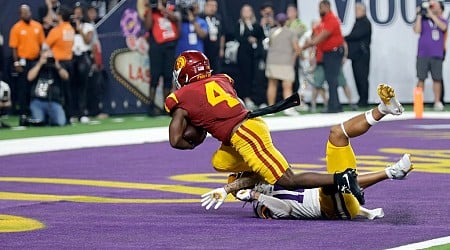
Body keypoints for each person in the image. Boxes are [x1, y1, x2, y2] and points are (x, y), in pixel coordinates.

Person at [165, 50, 370, 211]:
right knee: (220, 162)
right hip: (243, 130)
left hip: (245, 134)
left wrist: (195, 138)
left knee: (288, 180)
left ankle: (342, 178)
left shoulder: (182, 96)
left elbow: (175, 140)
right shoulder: (222, 79)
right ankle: (263, 169)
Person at [234, 84, 409, 220]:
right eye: (246, 176)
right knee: (335, 181)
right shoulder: (259, 205)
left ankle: (382, 110)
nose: (253, 173)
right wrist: (256, 196)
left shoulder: (273, 178)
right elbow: (284, 210)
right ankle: (391, 172)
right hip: (330, 208)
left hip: (336, 200)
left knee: (337, 134)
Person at [302, 0, 345, 113]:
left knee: (332, 80)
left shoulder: (331, 20)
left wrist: (304, 47)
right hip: (328, 53)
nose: (319, 10)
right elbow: (315, 35)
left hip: (333, 52)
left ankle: (334, 107)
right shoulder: (323, 21)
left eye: (321, 7)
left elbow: (320, 37)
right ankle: (335, 105)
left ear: (327, 7)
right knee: (331, 80)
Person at [9, 4, 45, 123]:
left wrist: (42, 58)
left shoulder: (37, 26)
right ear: (20, 14)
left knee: (35, 88)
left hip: (35, 61)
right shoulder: (16, 28)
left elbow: (42, 44)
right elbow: (14, 47)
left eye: (28, 12)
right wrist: (16, 62)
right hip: (23, 61)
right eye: (24, 13)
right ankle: (23, 112)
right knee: (23, 88)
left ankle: (34, 111)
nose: (27, 14)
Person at [144, 0, 180, 116]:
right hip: (156, 46)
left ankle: (167, 106)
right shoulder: (152, 11)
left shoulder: (172, 9)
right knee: (155, 75)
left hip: (170, 46)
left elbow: (176, 19)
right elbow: (148, 26)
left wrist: (162, 9)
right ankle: (151, 106)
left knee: (168, 76)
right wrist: (150, 8)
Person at [413, 0, 447, 111]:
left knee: (437, 78)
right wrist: (418, 15)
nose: (431, 7)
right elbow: (417, 30)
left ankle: (437, 101)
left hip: (436, 53)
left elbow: (443, 27)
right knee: (421, 78)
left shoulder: (442, 19)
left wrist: (431, 14)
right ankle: (419, 102)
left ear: (440, 8)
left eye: (434, 5)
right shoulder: (423, 20)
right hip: (422, 53)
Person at [265, 13, 301, 116]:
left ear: (276, 21)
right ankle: (288, 109)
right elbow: (296, 48)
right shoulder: (291, 32)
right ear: (287, 21)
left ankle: (270, 109)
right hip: (286, 62)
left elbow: (269, 45)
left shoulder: (272, 31)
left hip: (272, 61)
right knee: (287, 86)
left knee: (272, 84)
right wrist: (293, 59)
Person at [26, 49, 69, 126]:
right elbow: (29, 77)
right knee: (39, 123)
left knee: (60, 122)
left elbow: (66, 77)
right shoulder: (35, 65)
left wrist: (56, 65)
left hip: (54, 101)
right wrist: (40, 64)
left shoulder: (57, 67)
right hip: (38, 101)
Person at [234, 4, 265, 110]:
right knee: (245, 76)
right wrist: (248, 39)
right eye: (244, 11)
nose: (247, 13)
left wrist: (254, 37)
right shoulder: (239, 24)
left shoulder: (256, 24)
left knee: (257, 76)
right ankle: (246, 98)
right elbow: (238, 37)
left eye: (249, 11)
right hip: (243, 55)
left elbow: (260, 35)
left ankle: (257, 99)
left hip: (255, 55)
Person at [71, 3, 95, 123]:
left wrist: (79, 28)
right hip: (72, 56)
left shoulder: (88, 26)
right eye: (76, 12)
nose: (77, 15)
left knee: (83, 86)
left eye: (80, 12)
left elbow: (87, 40)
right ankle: (73, 112)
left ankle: (83, 112)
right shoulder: (69, 27)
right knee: (72, 86)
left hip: (83, 57)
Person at [345, 2, 372, 108]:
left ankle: (364, 100)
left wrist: (344, 38)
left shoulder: (365, 22)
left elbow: (356, 35)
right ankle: (361, 99)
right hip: (356, 56)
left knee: (362, 78)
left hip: (362, 55)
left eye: (358, 10)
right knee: (357, 78)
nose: (356, 12)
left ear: (363, 11)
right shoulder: (358, 22)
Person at [201, 0, 225, 73]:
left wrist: (221, 48)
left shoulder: (218, 18)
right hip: (204, 49)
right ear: (205, 6)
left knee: (216, 71)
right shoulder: (200, 17)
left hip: (216, 50)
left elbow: (222, 34)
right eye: (211, 5)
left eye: (215, 6)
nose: (213, 8)